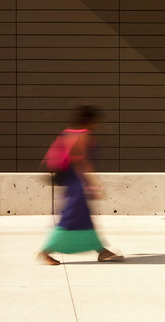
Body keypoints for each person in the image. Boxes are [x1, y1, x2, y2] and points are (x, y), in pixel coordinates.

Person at [38, 104, 122, 265]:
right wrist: (94, 184)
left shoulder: (68, 133)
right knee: (71, 219)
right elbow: (82, 162)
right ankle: (45, 251)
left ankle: (102, 251)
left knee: (83, 218)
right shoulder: (84, 135)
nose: (98, 123)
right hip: (78, 183)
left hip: (72, 182)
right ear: (89, 120)